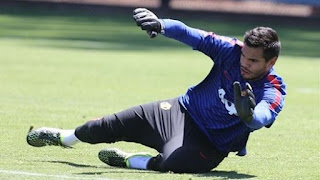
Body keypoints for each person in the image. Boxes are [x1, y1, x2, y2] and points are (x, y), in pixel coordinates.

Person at [26, 8, 286, 173]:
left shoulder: (274, 88)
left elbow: (264, 115)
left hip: (209, 143)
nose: (244, 63)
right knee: (104, 126)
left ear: (270, 62)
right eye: (244, 56)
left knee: (172, 162)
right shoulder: (231, 50)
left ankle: (130, 160)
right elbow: (191, 34)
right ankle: (64, 137)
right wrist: (161, 24)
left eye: (253, 61)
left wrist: (249, 117)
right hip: (179, 111)